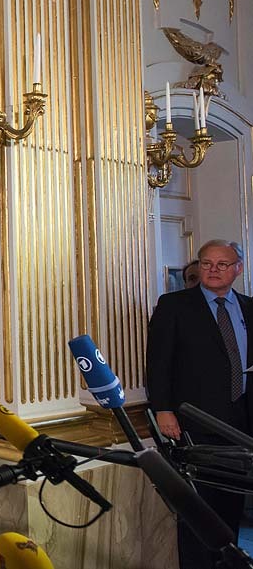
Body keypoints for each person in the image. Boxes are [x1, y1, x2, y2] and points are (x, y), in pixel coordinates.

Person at [147, 239, 253, 569]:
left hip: (241, 421)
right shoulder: (174, 305)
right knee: (197, 505)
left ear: (238, 269)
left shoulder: (249, 307)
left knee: (231, 502)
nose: (213, 270)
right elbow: (158, 362)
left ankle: (228, 562)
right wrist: (163, 409)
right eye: (207, 263)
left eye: (222, 264)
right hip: (195, 422)